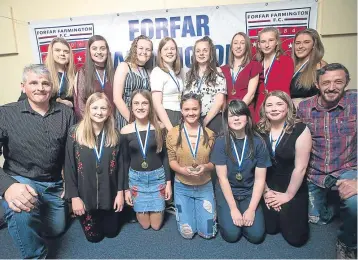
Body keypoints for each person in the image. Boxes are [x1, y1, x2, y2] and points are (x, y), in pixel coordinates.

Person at [0, 64, 75, 258]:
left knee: (56, 229)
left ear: (52, 87)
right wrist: (8, 186)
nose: (40, 88)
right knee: (20, 209)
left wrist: (69, 182)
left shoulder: (66, 113)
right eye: (33, 83)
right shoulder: (6, 114)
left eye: (45, 83)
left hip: (53, 183)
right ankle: (36, 255)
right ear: (23, 86)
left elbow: (70, 152)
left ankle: (11, 214)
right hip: (21, 178)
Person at [297, 63, 357, 259]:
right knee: (316, 220)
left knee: (355, 203)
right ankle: (334, 209)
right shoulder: (305, 107)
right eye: (326, 83)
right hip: (315, 171)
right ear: (317, 84)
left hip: (346, 169)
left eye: (338, 82)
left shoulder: (355, 103)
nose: (331, 87)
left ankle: (348, 242)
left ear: (346, 83)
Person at [64, 92, 124, 243]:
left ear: (109, 111)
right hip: (86, 197)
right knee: (94, 238)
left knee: (112, 233)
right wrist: (74, 198)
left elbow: (122, 167)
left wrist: (120, 193)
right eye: (95, 108)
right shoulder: (75, 134)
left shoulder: (115, 135)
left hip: (109, 195)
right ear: (87, 110)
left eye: (103, 108)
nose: (99, 112)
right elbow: (69, 166)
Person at [210, 100, 271, 243]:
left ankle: (244, 216)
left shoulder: (258, 142)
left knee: (256, 236)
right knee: (232, 235)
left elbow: (260, 180)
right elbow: (222, 179)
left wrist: (251, 209)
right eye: (232, 116)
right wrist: (233, 209)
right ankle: (228, 214)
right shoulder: (221, 142)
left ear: (248, 118)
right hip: (227, 191)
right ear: (226, 120)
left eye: (240, 114)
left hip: (249, 191)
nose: (236, 118)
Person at [256, 90, 312, 247]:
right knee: (270, 229)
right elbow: (256, 165)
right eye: (269, 105)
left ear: (288, 107)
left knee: (297, 239)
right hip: (267, 183)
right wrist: (266, 192)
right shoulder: (258, 129)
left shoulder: (300, 129)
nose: (274, 109)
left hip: (292, 184)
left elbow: (300, 168)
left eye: (279, 104)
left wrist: (288, 195)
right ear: (264, 109)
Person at [166, 93, 216, 239]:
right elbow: (171, 160)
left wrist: (206, 167)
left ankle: (200, 210)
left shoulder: (210, 134)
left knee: (208, 233)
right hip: (182, 186)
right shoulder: (173, 134)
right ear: (181, 110)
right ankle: (188, 210)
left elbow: (215, 163)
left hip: (204, 185)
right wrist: (182, 170)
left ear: (200, 109)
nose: (191, 113)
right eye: (186, 109)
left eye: (194, 109)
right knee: (187, 234)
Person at [121, 90, 171, 230]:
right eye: (136, 103)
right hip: (136, 181)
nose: (140, 107)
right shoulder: (125, 131)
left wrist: (168, 183)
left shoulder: (160, 127)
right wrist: (126, 189)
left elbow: (165, 157)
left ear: (150, 106)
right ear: (131, 106)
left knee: (155, 226)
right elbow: (124, 162)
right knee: (145, 225)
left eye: (144, 103)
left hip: (157, 179)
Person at [184, 36, 226, 134]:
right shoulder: (189, 74)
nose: (201, 53)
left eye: (205, 50)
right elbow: (185, 100)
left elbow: (219, 101)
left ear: (210, 53)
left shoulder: (218, 72)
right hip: (192, 120)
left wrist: (204, 122)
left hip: (213, 120)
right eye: (198, 51)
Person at [19, 37, 76, 107]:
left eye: (66, 51)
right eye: (57, 50)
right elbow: (23, 99)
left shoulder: (74, 75)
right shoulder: (40, 71)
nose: (62, 54)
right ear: (51, 52)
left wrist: (71, 104)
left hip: (67, 114)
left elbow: (80, 100)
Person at [254, 27, 294, 123]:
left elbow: (284, 88)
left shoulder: (286, 61)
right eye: (263, 41)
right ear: (259, 44)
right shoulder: (256, 63)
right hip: (259, 109)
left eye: (271, 40)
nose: (267, 45)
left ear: (277, 42)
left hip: (278, 107)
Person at [114, 35, 153, 130]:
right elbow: (117, 98)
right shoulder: (124, 67)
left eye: (148, 49)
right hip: (126, 118)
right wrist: (132, 121)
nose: (144, 52)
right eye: (141, 48)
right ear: (134, 49)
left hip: (144, 118)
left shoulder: (148, 72)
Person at [74, 35, 115, 121]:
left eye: (102, 48)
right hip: (92, 125)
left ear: (107, 51)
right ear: (89, 52)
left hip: (113, 124)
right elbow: (80, 104)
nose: (99, 52)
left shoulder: (114, 73)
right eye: (94, 48)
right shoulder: (83, 73)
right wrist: (91, 125)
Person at [221, 32, 261, 116]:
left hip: (245, 111)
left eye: (242, 43)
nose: (238, 46)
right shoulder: (223, 69)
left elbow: (251, 95)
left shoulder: (254, 65)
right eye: (235, 43)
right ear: (231, 47)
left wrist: (236, 111)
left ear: (246, 46)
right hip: (227, 113)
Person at [151, 37, 184, 131]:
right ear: (160, 53)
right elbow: (157, 104)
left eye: (172, 49)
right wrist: (170, 129)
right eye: (165, 49)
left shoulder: (176, 72)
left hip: (179, 114)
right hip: (167, 115)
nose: (169, 51)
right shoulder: (157, 72)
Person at [290, 28, 327, 107]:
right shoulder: (289, 65)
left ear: (314, 45)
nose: (300, 46)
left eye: (306, 42)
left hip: (309, 114)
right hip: (288, 115)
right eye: (297, 43)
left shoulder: (320, 66)